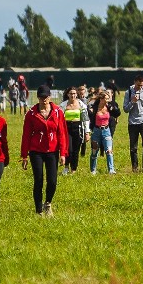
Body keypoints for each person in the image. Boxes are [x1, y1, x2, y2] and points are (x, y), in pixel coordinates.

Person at [21, 85, 68, 216]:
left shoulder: (58, 112)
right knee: (39, 179)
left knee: (52, 181)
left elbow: (62, 133)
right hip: (36, 150)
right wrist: (24, 155)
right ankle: (38, 210)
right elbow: (26, 135)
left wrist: (63, 153)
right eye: (41, 97)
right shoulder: (31, 113)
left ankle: (47, 203)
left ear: (50, 97)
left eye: (46, 97)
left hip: (52, 150)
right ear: (38, 98)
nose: (44, 100)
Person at [60, 87, 90, 175]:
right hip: (67, 129)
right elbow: (59, 119)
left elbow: (85, 119)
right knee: (69, 149)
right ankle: (66, 167)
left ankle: (74, 169)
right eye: (71, 93)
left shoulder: (81, 105)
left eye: (74, 93)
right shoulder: (63, 105)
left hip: (78, 128)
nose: (72, 95)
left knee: (76, 150)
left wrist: (87, 132)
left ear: (76, 94)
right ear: (68, 94)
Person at [88, 90, 116, 175]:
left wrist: (113, 108)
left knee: (109, 151)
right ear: (101, 99)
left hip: (106, 131)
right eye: (106, 99)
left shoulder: (109, 107)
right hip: (96, 131)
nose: (108, 100)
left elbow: (117, 113)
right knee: (94, 151)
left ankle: (111, 170)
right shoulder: (94, 108)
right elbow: (88, 117)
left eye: (108, 99)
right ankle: (93, 170)